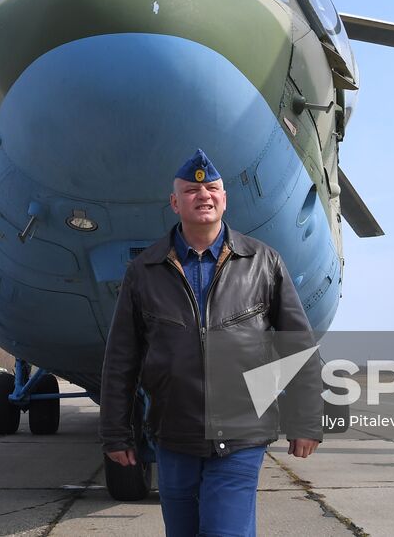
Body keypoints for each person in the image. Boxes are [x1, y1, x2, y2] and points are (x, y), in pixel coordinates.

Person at [100, 148, 322, 537]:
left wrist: (305, 419)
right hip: (174, 435)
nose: (203, 196)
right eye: (190, 191)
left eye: (212, 189)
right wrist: (116, 432)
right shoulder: (144, 272)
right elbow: (122, 360)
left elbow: (297, 347)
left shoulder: (263, 263)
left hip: (240, 435)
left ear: (224, 198)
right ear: (174, 202)